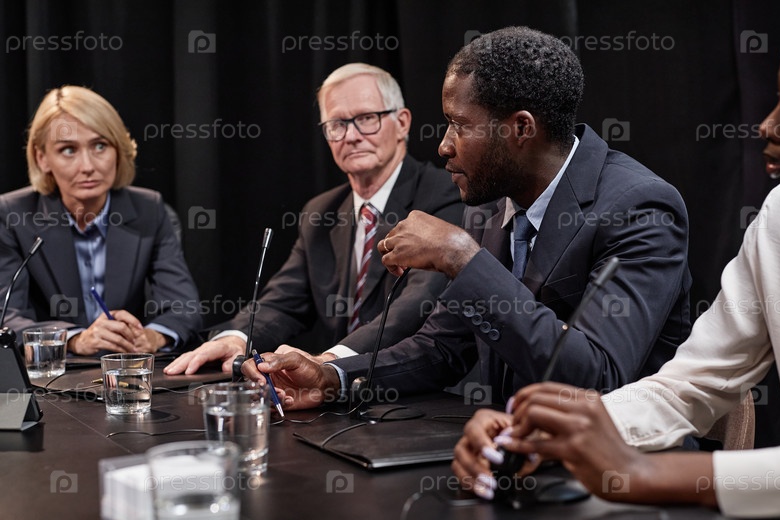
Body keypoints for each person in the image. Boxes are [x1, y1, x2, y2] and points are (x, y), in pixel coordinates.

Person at [242, 27, 692, 410]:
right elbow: (441, 348)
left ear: (521, 128)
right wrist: (331, 378)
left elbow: (597, 375)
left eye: (459, 124)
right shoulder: (491, 208)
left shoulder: (640, 208)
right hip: (508, 458)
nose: (443, 145)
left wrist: (462, 258)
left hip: (621, 470)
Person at [452, 31, 780, 520]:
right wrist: (547, 432)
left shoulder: (639, 203)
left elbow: (599, 371)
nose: (768, 125)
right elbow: (689, 386)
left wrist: (650, 473)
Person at [164, 63, 462, 375]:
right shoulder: (321, 212)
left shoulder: (442, 195)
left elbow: (418, 303)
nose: (351, 136)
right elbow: (283, 301)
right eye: (337, 124)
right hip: (338, 394)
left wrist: (330, 362)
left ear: (402, 123)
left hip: (420, 386)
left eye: (366, 119)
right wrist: (236, 338)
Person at [0, 85, 201, 354]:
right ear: (42, 158)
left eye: (99, 146)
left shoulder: (149, 209)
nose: (88, 166)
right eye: (68, 150)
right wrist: (75, 339)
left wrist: (152, 337)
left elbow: (184, 308)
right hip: (53, 372)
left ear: (118, 150)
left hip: (126, 370)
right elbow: (6, 317)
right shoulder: (12, 214)